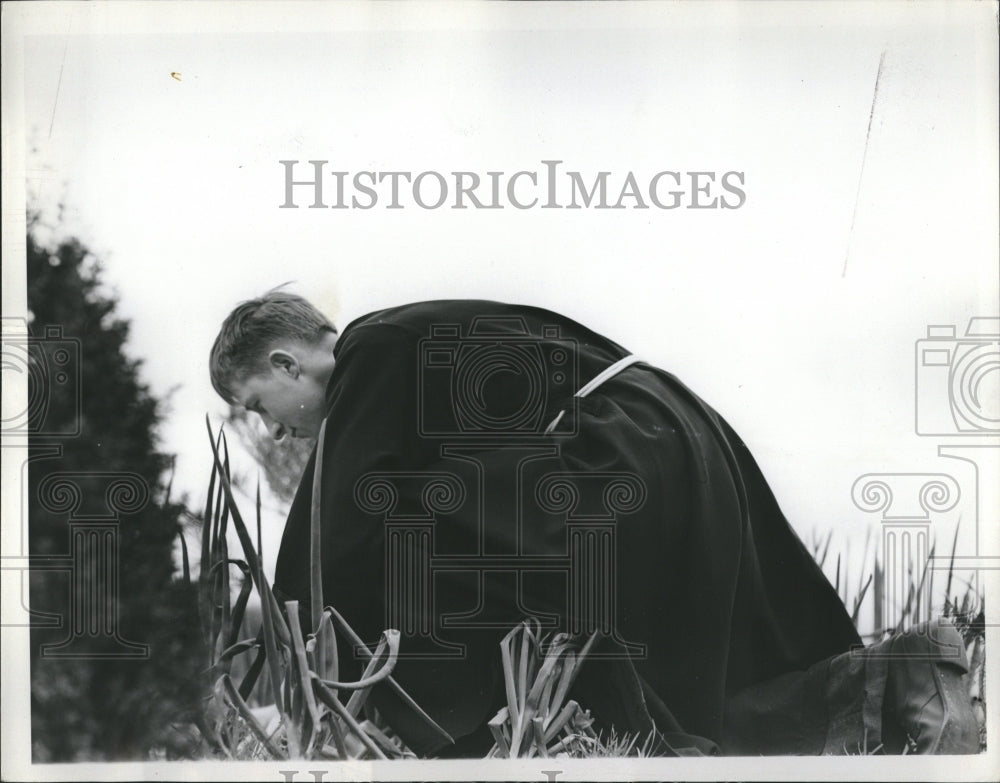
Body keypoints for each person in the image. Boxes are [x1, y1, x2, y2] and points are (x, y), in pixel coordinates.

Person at [209, 292, 979, 756]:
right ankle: (899, 684)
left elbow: (337, 525)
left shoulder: (371, 349)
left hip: (620, 444)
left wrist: (302, 658)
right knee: (684, 685)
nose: (273, 432)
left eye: (256, 407)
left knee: (408, 530)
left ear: (285, 363)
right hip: (664, 442)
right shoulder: (404, 345)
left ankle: (464, 739)